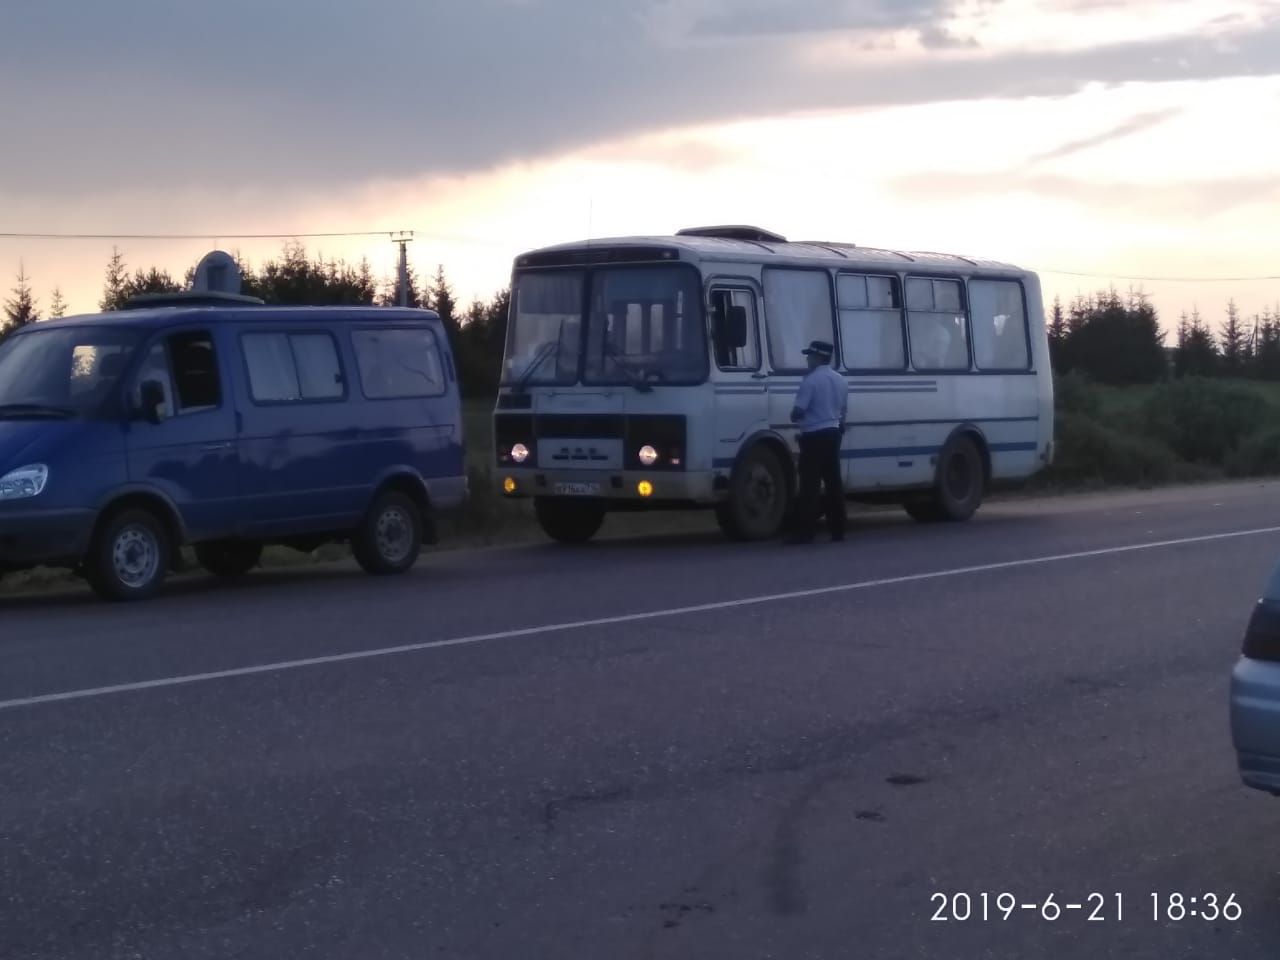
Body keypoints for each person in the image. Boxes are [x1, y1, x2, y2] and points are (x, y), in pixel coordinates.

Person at [785, 339, 849, 544]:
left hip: (813, 436)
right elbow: (843, 411)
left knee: (809, 486)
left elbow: (798, 411)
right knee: (833, 483)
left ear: (818, 357)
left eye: (810, 355)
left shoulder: (810, 381)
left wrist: (793, 416)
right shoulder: (840, 380)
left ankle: (805, 533)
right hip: (833, 433)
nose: (807, 359)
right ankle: (838, 530)